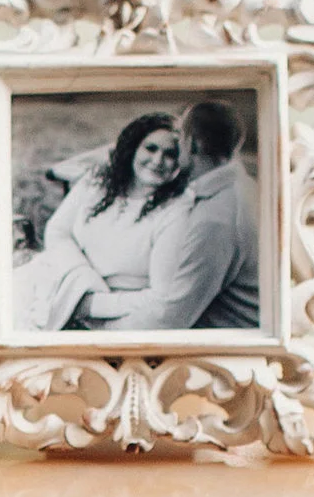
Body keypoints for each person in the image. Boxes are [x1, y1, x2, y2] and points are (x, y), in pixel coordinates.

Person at [92, 96, 260, 333]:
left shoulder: (216, 219)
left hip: (223, 336)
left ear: (192, 145)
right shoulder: (241, 186)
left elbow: (171, 317)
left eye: (180, 136)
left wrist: (102, 330)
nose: (176, 142)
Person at [17, 112, 188, 332]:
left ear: (181, 161)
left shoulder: (176, 210)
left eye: (170, 154)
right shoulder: (99, 181)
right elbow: (58, 231)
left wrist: (92, 304)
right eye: (151, 148)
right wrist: (82, 281)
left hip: (108, 313)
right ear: (134, 147)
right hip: (55, 278)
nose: (157, 161)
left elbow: (162, 296)